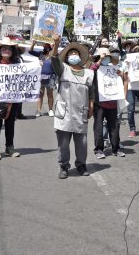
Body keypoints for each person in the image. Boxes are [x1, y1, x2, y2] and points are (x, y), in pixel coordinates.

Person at [50, 36, 94, 178]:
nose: (73, 55)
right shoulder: (63, 70)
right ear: (67, 57)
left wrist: (91, 106)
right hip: (64, 112)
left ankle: (81, 164)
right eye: (70, 54)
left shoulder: (88, 73)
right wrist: (56, 45)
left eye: (75, 54)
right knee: (63, 142)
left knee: (82, 142)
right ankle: (64, 166)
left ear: (80, 57)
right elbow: (54, 60)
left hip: (81, 111)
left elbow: (91, 91)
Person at [0, 38, 25, 160]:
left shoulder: (18, 65)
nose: (6, 50)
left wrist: (37, 66)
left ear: (13, 52)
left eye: (9, 49)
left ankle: (9, 148)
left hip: (13, 100)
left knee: (10, 125)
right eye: (4, 48)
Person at [89, 47, 124, 158]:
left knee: (114, 126)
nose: (105, 59)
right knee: (98, 126)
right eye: (103, 57)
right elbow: (89, 73)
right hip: (99, 103)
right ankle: (99, 149)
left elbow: (120, 82)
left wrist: (120, 75)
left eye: (107, 57)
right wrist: (99, 62)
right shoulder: (94, 68)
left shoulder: (113, 68)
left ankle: (116, 148)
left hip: (112, 101)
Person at [29, 41, 56, 117]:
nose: (45, 48)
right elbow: (30, 51)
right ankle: (38, 110)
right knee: (40, 94)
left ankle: (50, 110)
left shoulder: (52, 55)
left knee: (50, 94)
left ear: (50, 48)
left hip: (50, 77)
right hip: (40, 77)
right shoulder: (40, 54)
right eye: (44, 47)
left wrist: (54, 46)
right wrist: (33, 44)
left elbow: (55, 52)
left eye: (47, 47)